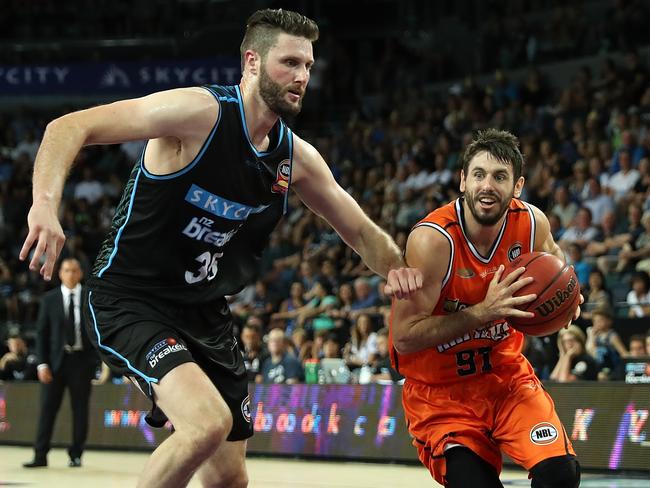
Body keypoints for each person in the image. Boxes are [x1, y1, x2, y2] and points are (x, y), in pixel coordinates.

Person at [19, 9, 421, 487]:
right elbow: (68, 126)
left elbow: (358, 231)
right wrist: (44, 205)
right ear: (252, 62)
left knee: (231, 478)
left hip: (206, 312)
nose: (302, 77)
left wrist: (399, 269)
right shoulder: (199, 114)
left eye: (309, 66)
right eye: (290, 62)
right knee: (206, 424)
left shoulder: (295, 158)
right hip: (132, 300)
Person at [390, 129, 582, 488]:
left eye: (499, 177)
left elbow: (559, 266)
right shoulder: (433, 240)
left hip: (507, 378)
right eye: (478, 175)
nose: (487, 186)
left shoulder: (532, 223)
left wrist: (570, 299)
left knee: (561, 475)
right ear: (463, 180)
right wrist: (482, 312)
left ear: (518, 185)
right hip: (441, 394)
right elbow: (403, 338)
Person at [23, 258, 98, 469]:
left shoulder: (90, 298)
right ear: (60, 274)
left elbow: (98, 332)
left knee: (80, 409)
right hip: (55, 362)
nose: (71, 274)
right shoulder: (50, 299)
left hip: (82, 362)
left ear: (81, 274)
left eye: (75, 270)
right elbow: (42, 334)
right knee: (47, 409)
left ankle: (76, 454)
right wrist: (42, 364)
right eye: (67, 270)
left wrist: (96, 361)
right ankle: (40, 455)